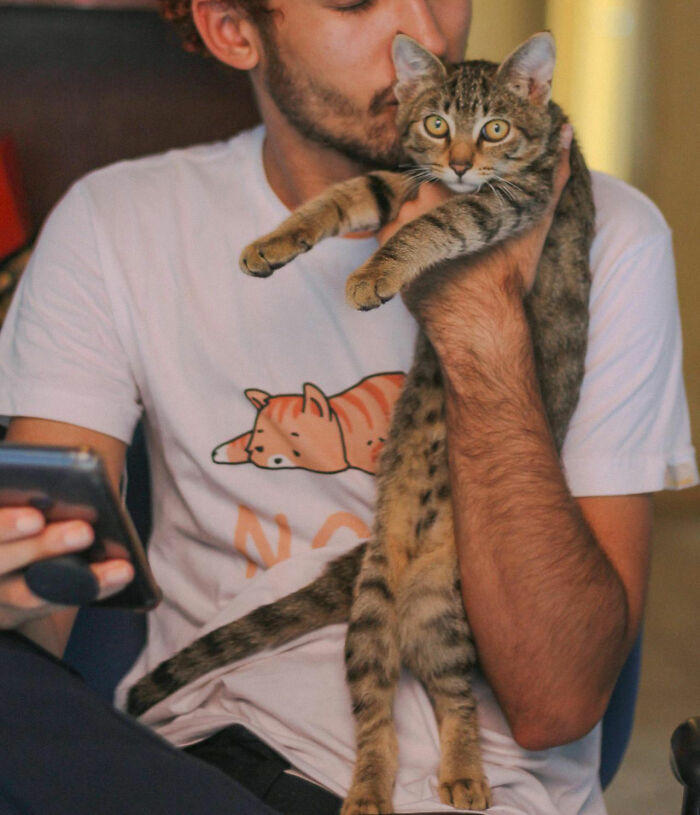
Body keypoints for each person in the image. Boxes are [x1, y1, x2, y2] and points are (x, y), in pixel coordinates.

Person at [0, 1, 697, 813]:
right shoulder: (115, 221)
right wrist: (21, 584)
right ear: (234, 29)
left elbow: (559, 702)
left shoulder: (614, 236)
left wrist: (483, 325)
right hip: (197, 758)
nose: (424, 35)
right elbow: (38, 618)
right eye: (356, 1)